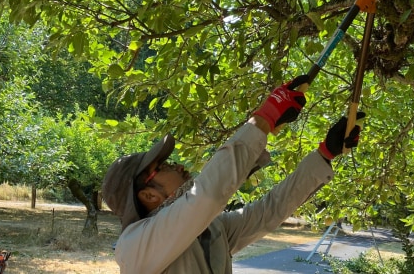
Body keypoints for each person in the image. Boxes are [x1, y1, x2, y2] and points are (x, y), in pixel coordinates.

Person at [102, 76, 364, 273]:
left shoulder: (212, 229)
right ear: (148, 195)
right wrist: (265, 117)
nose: (179, 166)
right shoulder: (134, 246)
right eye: (164, 167)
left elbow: (272, 209)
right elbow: (206, 195)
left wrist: (324, 155)